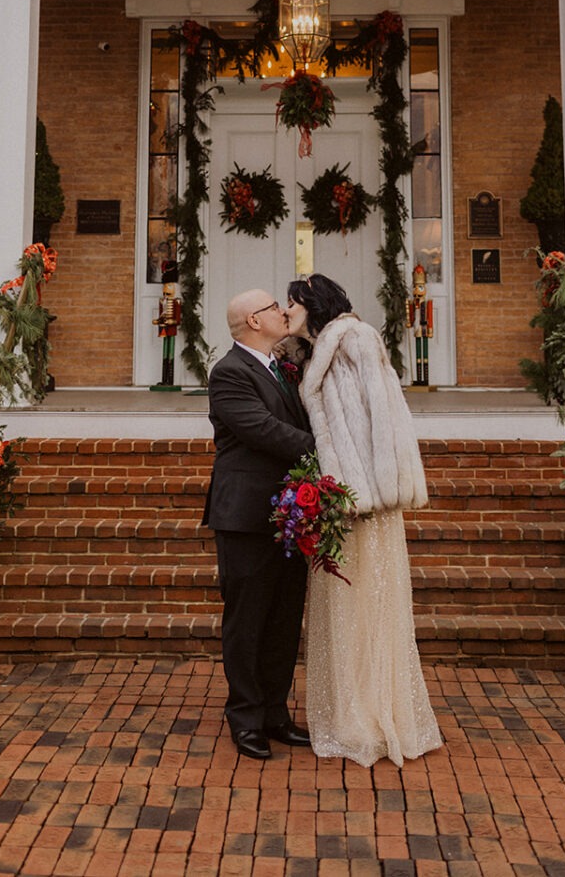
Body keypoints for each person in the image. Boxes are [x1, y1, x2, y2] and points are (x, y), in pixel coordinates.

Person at [285, 272, 443, 767]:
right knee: (342, 610)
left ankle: (375, 716)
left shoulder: (355, 337)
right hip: (340, 499)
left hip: (366, 502)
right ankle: (346, 713)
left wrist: (373, 490)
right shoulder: (315, 351)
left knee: (370, 605)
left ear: (312, 303)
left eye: (291, 305)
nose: (286, 313)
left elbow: (384, 416)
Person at [202, 287, 315, 760]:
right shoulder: (229, 372)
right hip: (246, 515)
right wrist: (329, 445)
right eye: (273, 306)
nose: (282, 311)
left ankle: (275, 714)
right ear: (253, 320)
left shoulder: (282, 366)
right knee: (247, 621)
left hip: (288, 514)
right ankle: (245, 718)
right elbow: (261, 430)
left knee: (284, 621)